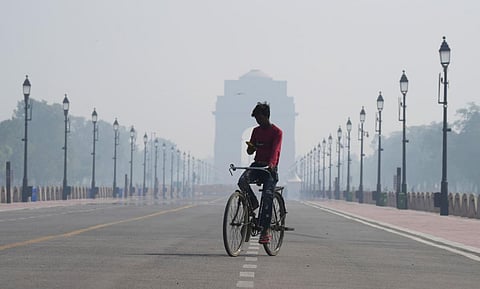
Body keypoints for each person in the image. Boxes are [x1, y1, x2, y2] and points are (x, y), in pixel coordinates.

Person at [238, 102, 282, 244]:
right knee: (242, 181)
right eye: (256, 118)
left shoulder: (277, 132)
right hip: (257, 166)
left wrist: (271, 165)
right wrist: (251, 147)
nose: (257, 121)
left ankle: (265, 230)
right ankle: (253, 202)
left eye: (259, 118)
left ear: (266, 116)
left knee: (267, 195)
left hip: (270, 169)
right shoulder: (256, 131)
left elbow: (275, 151)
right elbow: (251, 151)